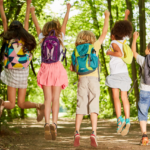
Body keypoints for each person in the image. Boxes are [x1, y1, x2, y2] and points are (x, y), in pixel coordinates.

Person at [30, 3, 71, 140]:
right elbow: (65, 22)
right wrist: (68, 9)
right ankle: (54, 124)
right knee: (55, 99)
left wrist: (32, 12)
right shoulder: (60, 38)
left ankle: (46, 123)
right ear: (58, 29)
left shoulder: (42, 38)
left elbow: (36, 26)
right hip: (57, 68)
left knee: (47, 99)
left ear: (45, 29)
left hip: (46, 69)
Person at [70, 10, 110, 147]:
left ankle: (76, 132)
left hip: (81, 79)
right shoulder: (95, 47)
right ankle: (93, 133)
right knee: (94, 106)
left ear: (80, 38)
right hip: (93, 80)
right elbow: (104, 33)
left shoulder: (75, 50)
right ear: (91, 38)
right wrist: (106, 17)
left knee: (80, 105)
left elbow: (72, 68)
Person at [0, 0, 44, 122]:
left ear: (11, 28)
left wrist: (1, 5)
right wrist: (28, 5)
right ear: (21, 29)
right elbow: (26, 20)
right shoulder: (25, 38)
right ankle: (38, 105)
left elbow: (4, 20)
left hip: (10, 70)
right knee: (21, 103)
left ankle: (2, 103)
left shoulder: (7, 36)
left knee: (12, 103)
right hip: (23, 71)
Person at [105, 10, 133, 136]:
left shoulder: (113, 43)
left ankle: (119, 119)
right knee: (124, 98)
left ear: (113, 35)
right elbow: (125, 26)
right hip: (124, 74)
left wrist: (109, 52)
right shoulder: (124, 41)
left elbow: (119, 54)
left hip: (116, 74)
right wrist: (126, 15)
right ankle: (127, 120)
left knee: (116, 98)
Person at [131, 31, 150, 145]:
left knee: (143, 114)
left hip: (144, 90)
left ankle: (144, 136)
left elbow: (133, 52)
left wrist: (134, 39)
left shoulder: (144, 60)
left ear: (148, 50)